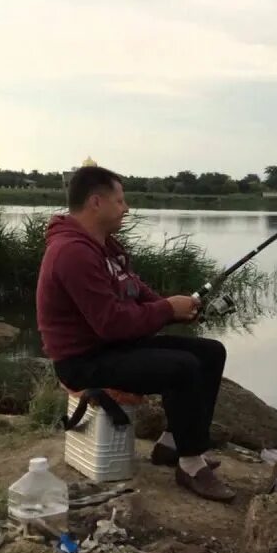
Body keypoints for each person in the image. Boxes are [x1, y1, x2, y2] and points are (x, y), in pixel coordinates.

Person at [36, 165, 235, 502]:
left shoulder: (105, 246)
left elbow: (134, 289)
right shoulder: (71, 252)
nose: (126, 208)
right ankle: (191, 464)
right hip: (82, 360)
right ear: (96, 203)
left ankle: (173, 445)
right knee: (182, 368)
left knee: (210, 352)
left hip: (112, 347)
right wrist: (166, 310)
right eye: (120, 200)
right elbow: (111, 323)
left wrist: (175, 308)